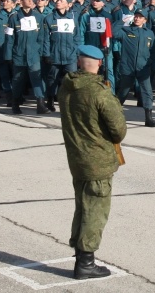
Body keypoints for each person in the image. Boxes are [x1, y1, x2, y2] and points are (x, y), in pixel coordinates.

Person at [59, 44, 126, 280]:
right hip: (97, 160)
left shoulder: (67, 86)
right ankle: (86, 263)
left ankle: (81, 255)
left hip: (76, 157)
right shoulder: (99, 92)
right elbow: (118, 131)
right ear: (99, 64)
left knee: (83, 207)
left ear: (79, 62)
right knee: (95, 212)